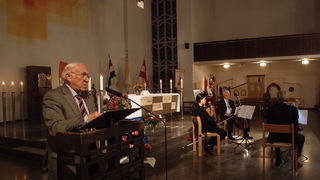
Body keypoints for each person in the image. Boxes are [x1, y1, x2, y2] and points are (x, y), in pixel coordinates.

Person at [42, 63, 102, 179]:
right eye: (83, 75)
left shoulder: (87, 96)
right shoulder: (53, 96)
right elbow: (55, 127)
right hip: (67, 158)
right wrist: (85, 118)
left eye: (87, 76)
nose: (87, 79)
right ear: (68, 77)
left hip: (91, 154)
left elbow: (94, 121)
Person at [266, 90, 305, 167]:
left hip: (273, 138)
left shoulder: (270, 109)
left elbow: (269, 123)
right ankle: (295, 160)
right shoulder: (293, 109)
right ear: (286, 98)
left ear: (277, 97)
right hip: (289, 138)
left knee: (276, 132)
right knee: (302, 137)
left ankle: (278, 158)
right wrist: (298, 129)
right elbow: (296, 128)